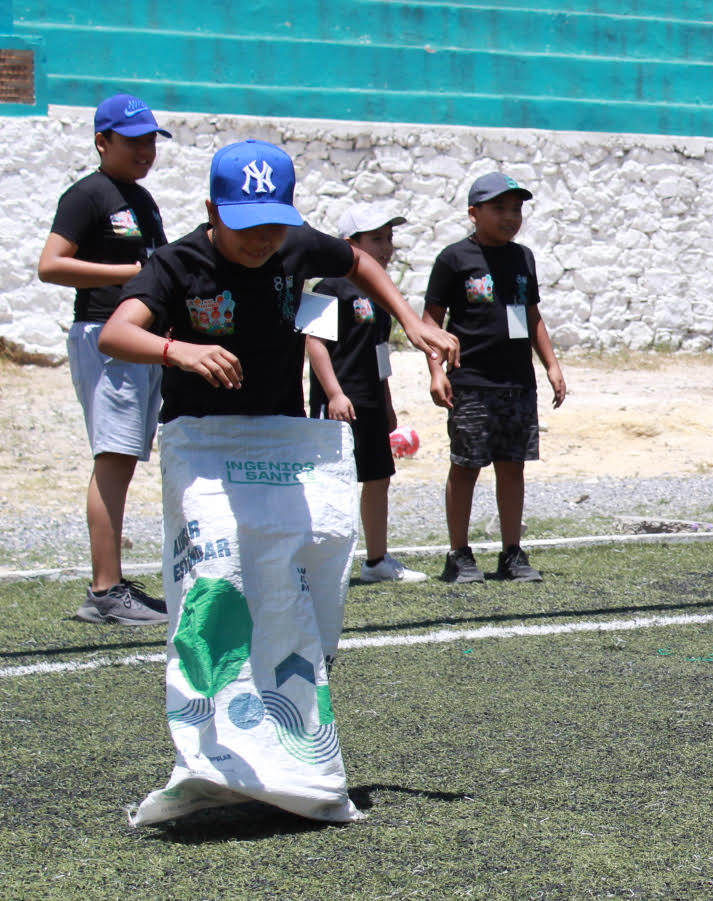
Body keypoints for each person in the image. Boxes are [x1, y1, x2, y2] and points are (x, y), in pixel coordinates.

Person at [96, 139, 460, 825]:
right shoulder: (176, 263)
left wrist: (413, 322)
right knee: (217, 586)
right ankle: (210, 756)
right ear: (212, 211)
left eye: (273, 223)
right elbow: (116, 333)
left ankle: (296, 755)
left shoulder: (293, 246)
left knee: (296, 586)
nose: (263, 239)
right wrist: (179, 349)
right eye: (246, 224)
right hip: (204, 446)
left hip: (282, 442)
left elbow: (356, 261)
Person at [37, 94, 172, 625]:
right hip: (105, 337)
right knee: (113, 460)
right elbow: (51, 265)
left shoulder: (141, 198)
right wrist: (129, 275)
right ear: (102, 141)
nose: (145, 151)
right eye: (133, 141)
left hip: (139, 340)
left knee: (123, 460)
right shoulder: (86, 195)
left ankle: (112, 584)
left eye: (150, 141)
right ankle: (105, 592)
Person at [423, 171, 567, 584]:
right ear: (474, 213)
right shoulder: (454, 259)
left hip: (517, 381)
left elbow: (532, 314)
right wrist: (436, 371)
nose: (510, 217)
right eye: (499, 208)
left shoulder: (523, 258)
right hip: (470, 381)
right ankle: (459, 554)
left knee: (513, 465)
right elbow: (430, 321)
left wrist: (551, 364)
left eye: (516, 209)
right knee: (466, 466)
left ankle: (511, 553)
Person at [307, 201, 428, 583]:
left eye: (389, 238)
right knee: (332, 483)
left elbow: (379, 350)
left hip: (371, 401)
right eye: (377, 239)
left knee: (378, 478)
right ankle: (323, 564)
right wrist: (334, 394)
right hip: (339, 403)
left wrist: (387, 402)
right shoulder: (328, 286)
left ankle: (377, 561)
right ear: (349, 244)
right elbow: (314, 342)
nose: (386, 247)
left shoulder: (381, 292)